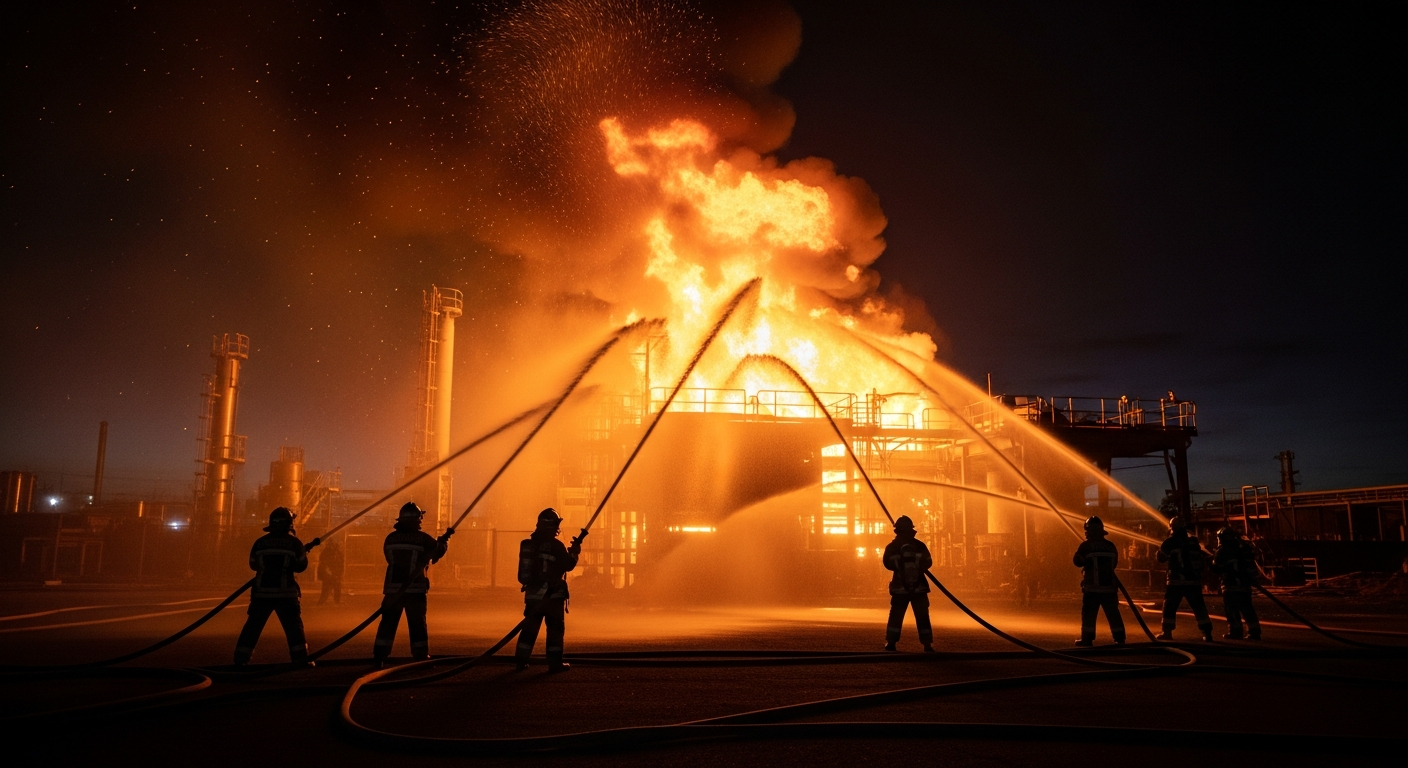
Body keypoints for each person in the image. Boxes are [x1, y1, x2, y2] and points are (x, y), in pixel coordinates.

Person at [372, 502, 452, 666]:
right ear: (417, 520)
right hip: (415, 590)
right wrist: (444, 541)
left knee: (387, 623)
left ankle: (380, 656)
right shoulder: (422, 539)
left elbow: (388, 558)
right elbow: (438, 551)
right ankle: (420, 656)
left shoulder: (390, 538)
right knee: (417, 624)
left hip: (392, 591)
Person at [234, 507, 312, 666]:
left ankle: (241, 659)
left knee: (252, 627)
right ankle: (300, 659)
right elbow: (301, 566)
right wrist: (297, 556)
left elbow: (253, 564)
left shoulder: (260, 543)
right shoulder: (294, 543)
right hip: (286, 594)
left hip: (261, 594)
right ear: (289, 524)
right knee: (294, 628)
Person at [515, 508, 585, 672]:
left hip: (533, 597)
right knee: (555, 630)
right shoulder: (556, 546)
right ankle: (554, 664)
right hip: (553, 597)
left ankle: (520, 661)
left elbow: (524, 575)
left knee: (529, 630)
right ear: (553, 526)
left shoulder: (529, 545)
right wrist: (574, 552)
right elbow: (568, 565)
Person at [882, 515, 935, 652]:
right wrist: (917, 566)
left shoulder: (892, 547)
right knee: (922, 616)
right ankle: (927, 644)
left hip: (900, 588)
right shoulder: (919, 546)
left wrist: (900, 564)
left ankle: (891, 643)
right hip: (919, 587)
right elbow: (928, 562)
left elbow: (887, 563)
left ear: (897, 530)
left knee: (896, 616)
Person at [1155, 518, 1213, 641]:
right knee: (1199, 607)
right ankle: (1207, 633)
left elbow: (1161, 558)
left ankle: (1167, 632)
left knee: (1169, 607)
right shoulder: (1193, 542)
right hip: (1194, 581)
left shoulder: (1170, 542)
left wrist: (1159, 552)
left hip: (1176, 581)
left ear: (1172, 527)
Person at [1073, 516, 1125, 647]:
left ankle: (1087, 639)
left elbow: (1077, 562)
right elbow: (1114, 564)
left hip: (1092, 588)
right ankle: (1120, 639)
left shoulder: (1086, 546)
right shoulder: (1110, 546)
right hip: (1110, 588)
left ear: (1088, 531)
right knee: (1113, 613)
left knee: (1089, 614)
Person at [1213, 527, 1261, 640]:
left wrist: (1211, 563)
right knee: (1247, 608)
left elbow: (1217, 568)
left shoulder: (1222, 551)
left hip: (1230, 585)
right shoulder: (1244, 549)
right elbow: (1251, 566)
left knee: (1231, 609)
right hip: (1245, 585)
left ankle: (1235, 632)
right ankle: (1254, 632)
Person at [317, 538, 345, 606]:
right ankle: (322, 602)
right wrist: (328, 571)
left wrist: (339, 573)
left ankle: (335, 601)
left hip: (334, 573)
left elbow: (340, 563)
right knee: (327, 588)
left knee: (335, 587)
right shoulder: (327, 552)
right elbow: (323, 562)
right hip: (329, 573)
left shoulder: (336, 552)